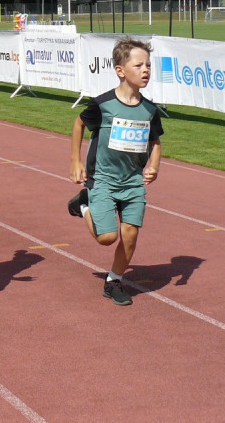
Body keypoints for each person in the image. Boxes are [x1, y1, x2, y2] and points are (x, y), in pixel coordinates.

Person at [67, 38, 162, 307]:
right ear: (120, 70)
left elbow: (155, 143)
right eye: (139, 65)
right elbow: (78, 124)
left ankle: (114, 280)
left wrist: (154, 165)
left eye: (148, 65)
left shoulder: (150, 110)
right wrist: (76, 161)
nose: (146, 70)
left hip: (132, 181)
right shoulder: (103, 104)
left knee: (130, 235)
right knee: (107, 238)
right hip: (104, 178)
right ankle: (84, 204)